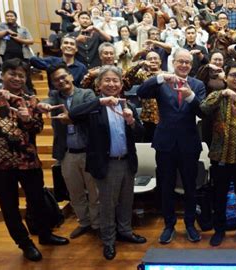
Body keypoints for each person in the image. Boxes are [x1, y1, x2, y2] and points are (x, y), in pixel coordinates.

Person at [0, 58, 69, 262]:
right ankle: (24, 243)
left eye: (21, 75)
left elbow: (36, 128)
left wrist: (27, 119)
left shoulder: (31, 100)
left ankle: (45, 234)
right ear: (2, 75)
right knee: (9, 205)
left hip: (28, 160)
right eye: (12, 74)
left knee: (37, 200)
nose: (17, 78)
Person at [69, 65, 146, 260]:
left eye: (116, 81)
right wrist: (100, 101)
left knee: (126, 202)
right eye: (107, 80)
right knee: (107, 205)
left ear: (121, 85)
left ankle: (126, 232)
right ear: (98, 84)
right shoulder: (95, 106)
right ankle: (109, 240)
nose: (112, 84)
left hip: (127, 162)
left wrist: (131, 122)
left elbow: (140, 134)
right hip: (106, 164)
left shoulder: (126, 105)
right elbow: (73, 114)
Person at [137, 48, 206, 244]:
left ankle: (190, 225)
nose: (184, 65)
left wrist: (190, 96)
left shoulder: (197, 84)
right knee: (166, 187)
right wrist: (160, 78)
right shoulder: (162, 82)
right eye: (180, 62)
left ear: (191, 66)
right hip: (165, 144)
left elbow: (203, 112)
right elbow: (142, 92)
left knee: (190, 187)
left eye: (187, 62)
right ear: (173, 63)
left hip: (189, 144)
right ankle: (169, 225)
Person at [200, 63, 236, 247]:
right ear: (226, 78)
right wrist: (222, 93)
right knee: (219, 195)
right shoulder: (217, 97)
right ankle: (219, 230)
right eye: (233, 75)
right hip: (220, 156)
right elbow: (203, 108)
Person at [37, 63, 99, 239]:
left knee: (95, 192)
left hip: (89, 151)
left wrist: (71, 119)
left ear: (71, 76)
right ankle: (84, 222)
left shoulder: (86, 94)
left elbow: (90, 113)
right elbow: (46, 102)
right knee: (75, 192)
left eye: (63, 76)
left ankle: (97, 224)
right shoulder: (54, 96)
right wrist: (43, 105)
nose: (61, 81)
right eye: (56, 80)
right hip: (67, 154)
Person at [123, 51, 162, 142]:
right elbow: (126, 78)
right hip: (148, 118)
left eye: (155, 58)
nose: (153, 60)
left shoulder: (168, 75)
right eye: (150, 59)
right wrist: (140, 64)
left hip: (165, 117)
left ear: (160, 61)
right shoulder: (142, 75)